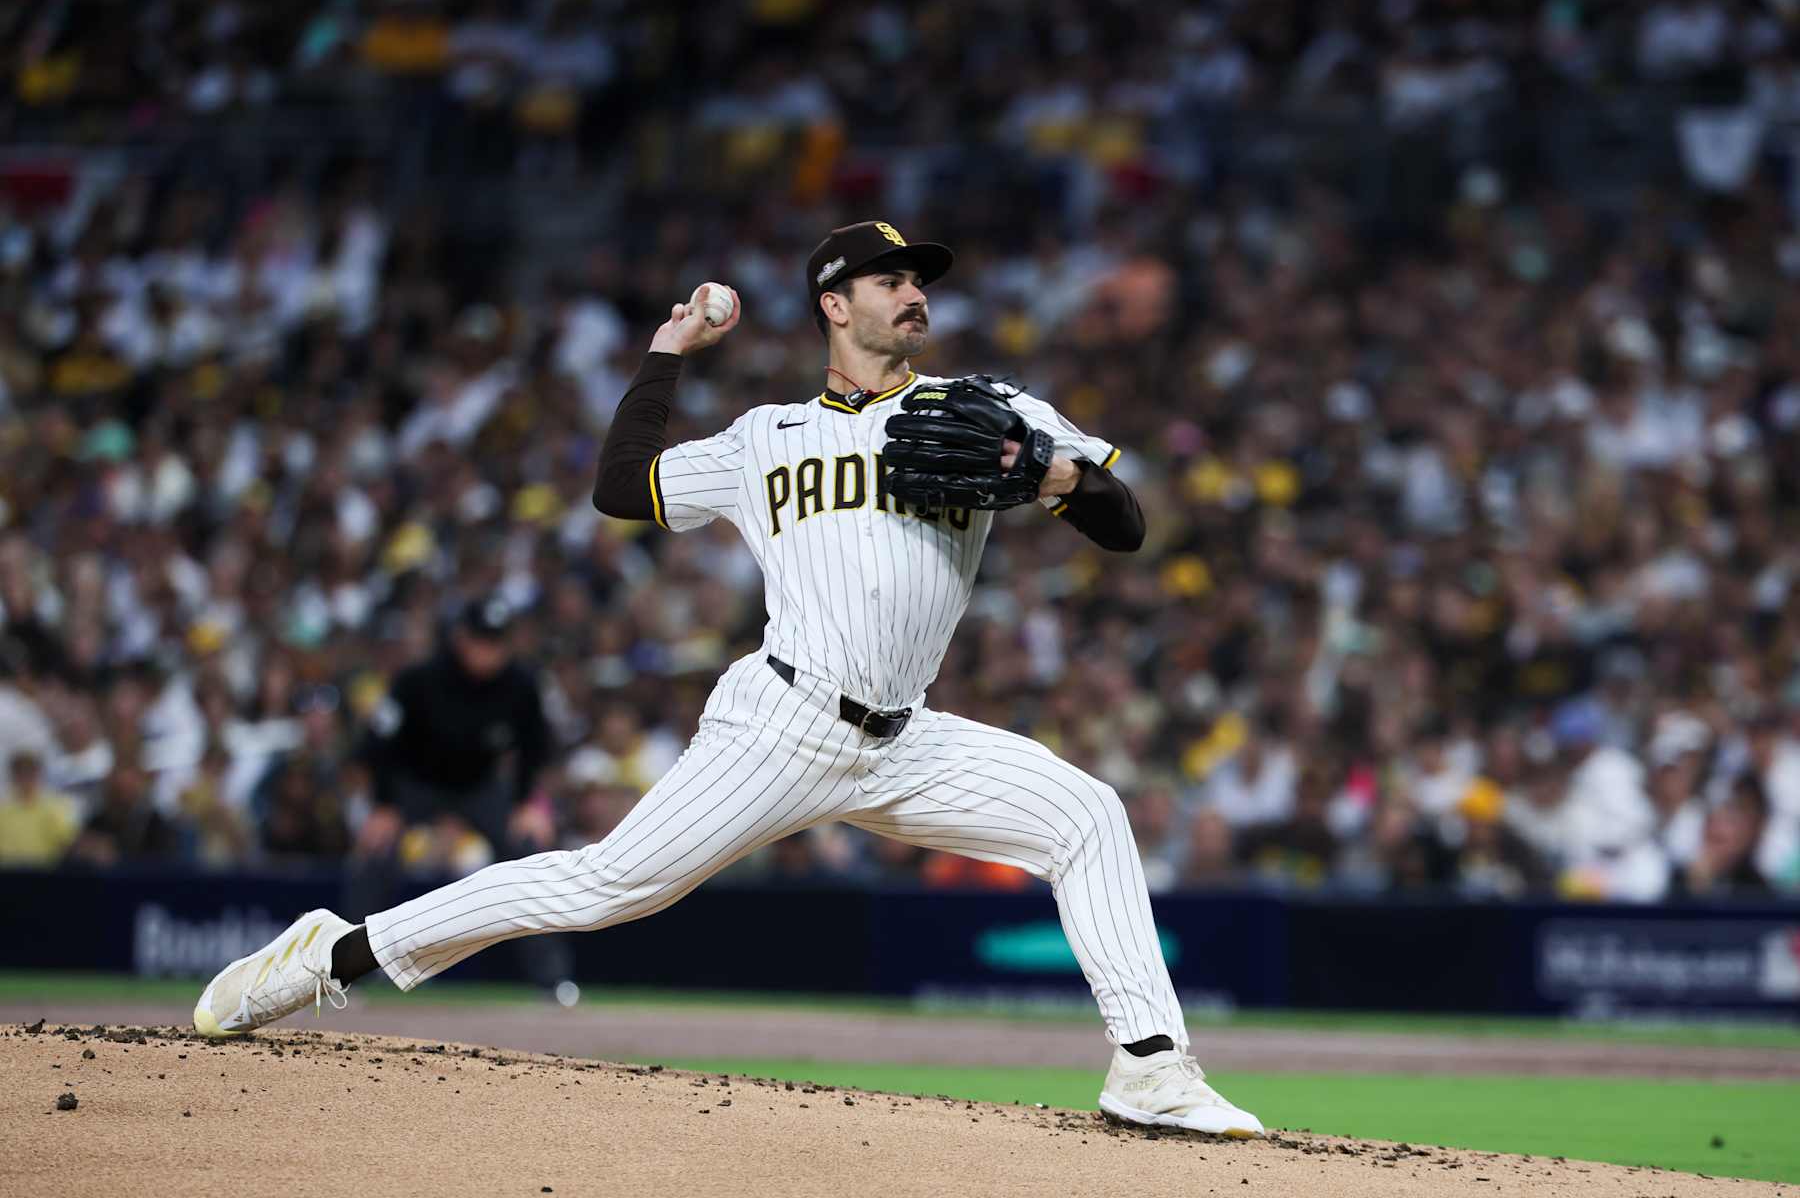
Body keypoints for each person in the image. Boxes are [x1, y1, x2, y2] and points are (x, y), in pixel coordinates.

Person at [192, 220, 1263, 1138]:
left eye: (920, 279)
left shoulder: (988, 408)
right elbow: (621, 488)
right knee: (606, 887)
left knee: (1087, 814)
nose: (916, 293)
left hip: (908, 738)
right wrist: (667, 351)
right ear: (834, 304)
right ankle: (338, 952)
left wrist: (1054, 475)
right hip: (782, 723)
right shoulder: (766, 438)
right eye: (892, 280)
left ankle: (1153, 1070)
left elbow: (1125, 525)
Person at [342, 595, 571, 991]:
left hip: (480, 787)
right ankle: (345, 972)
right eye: (482, 640)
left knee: (529, 855)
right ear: (462, 638)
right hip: (416, 784)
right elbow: (379, 745)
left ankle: (552, 979)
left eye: (497, 642)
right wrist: (383, 805)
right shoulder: (417, 680)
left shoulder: (521, 684)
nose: (489, 651)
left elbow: (534, 748)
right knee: (375, 853)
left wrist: (525, 803)